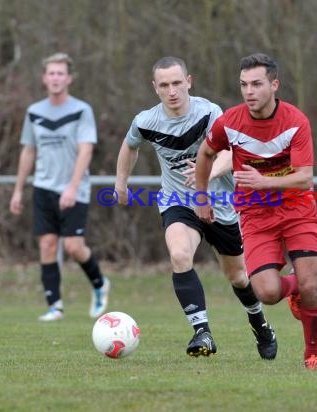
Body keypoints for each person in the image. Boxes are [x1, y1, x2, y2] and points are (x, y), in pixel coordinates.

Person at [114, 56, 277, 359]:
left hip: (221, 206)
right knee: (179, 254)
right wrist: (121, 183)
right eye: (164, 85)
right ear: (155, 88)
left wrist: (208, 172)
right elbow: (130, 145)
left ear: (189, 82)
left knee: (239, 276)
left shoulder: (210, 113)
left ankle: (260, 322)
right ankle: (201, 331)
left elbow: (232, 153)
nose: (172, 90)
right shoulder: (146, 121)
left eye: (177, 83)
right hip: (178, 201)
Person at [195, 53, 317, 370]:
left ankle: (313, 354)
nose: (249, 91)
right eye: (243, 84)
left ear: (274, 84)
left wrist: (263, 181)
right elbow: (205, 154)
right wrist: (201, 196)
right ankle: (295, 287)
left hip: (298, 209)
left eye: (256, 84)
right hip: (256, 217)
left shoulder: (295, 120)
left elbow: (305, 177)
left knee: (311, 285)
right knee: (267, 292)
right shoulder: (230, 121)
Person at [9, 52, 110, 322]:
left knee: (75, 247)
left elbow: (86, 151)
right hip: (43, 187)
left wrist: (72, 188)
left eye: (60, 73)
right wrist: (18, 189)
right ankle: (55, 306)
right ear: (45, 78)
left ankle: (100, 284)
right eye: (51, 73)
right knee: (47, 245)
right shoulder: (34, 112)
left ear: (69, 78)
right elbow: (28, 152)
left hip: (74, 188)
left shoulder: (81, 110)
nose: (55, 78)